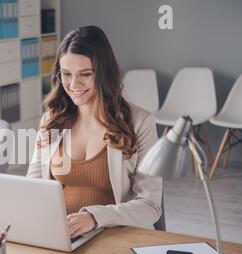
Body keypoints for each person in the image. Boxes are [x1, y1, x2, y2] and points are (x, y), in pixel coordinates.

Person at [26, 26, 162, 238]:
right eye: (66, 74)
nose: (73, 84)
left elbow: (150, 206)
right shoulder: (52, 120)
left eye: (85, 74)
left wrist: (94, 217)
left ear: (104, 73)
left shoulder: (140, 123)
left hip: (113, 236)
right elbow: (32, 188)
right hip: (60, 236)